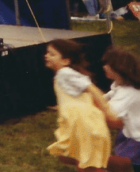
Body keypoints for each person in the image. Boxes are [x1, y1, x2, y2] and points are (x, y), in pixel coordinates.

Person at [44, 38, 115, 171]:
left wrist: (106, 110)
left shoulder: (64, 73)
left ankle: (124, 164)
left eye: (52, 54)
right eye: (47, 53)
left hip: (84, 125)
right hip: (79, 124)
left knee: (87, 163)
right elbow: (82, 95)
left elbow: (91, 88)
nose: (46, 56)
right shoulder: (63, 74)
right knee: (80, 158)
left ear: (65, 61)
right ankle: (120, 164)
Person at [102, 47, 140, 172]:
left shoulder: (128, 92)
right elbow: (107, 96)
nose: (104, 67)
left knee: (137, 165)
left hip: (139, 140)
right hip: (129, 133)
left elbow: (109, 113)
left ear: (119, 68)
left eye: (107, 64)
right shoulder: (119, 85)